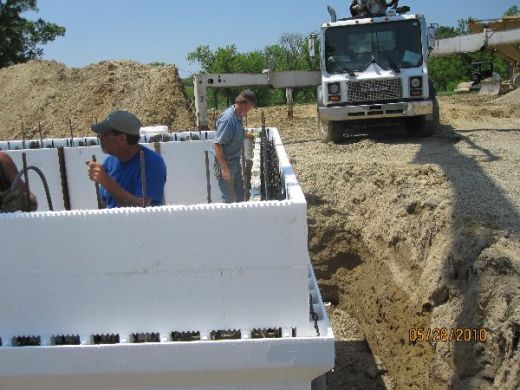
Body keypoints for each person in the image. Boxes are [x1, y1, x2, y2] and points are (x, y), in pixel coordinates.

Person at [87, 110, 167, 208]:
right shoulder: (108, 163)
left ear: (121, 139)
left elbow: (145, 208)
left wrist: (106, 181)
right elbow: (106, 204)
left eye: (104, 134)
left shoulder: (152, 163)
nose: (100, 138)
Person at [213, 90, 256, 203]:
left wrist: (247, 135)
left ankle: (240, 220)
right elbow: (217, 144)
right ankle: (227, 220)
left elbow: (236, 133)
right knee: (228, 199)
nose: (250, 109)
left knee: (239, 195)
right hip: (226, 163)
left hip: (235, 161)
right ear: (244, 103)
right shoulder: (228, 119)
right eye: (251, 106)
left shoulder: (238, 115)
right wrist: (224, 167)